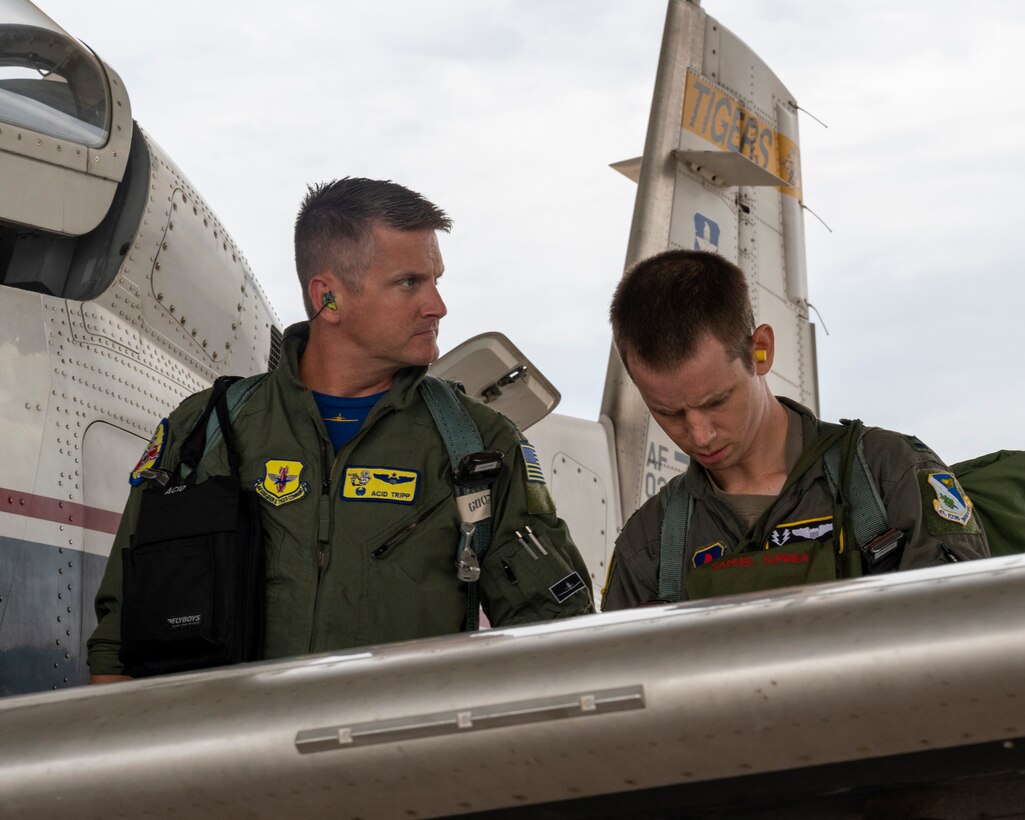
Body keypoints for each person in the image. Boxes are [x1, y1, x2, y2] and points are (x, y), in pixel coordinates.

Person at [89, 177, 593, 682]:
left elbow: (555, 638)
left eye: (436, 279)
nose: (438, 305)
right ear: (328, 298)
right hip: (229, 755)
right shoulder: (202, 433)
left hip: (395, 756)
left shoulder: (479, 449)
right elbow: (118, 645)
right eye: (409, 283)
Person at [601, 249, 989, 609]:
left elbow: (967, 631)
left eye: (716, 402)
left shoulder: (887, 477)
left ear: (762, 350)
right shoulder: (649, 547)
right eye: (669, 413)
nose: (700, 435)